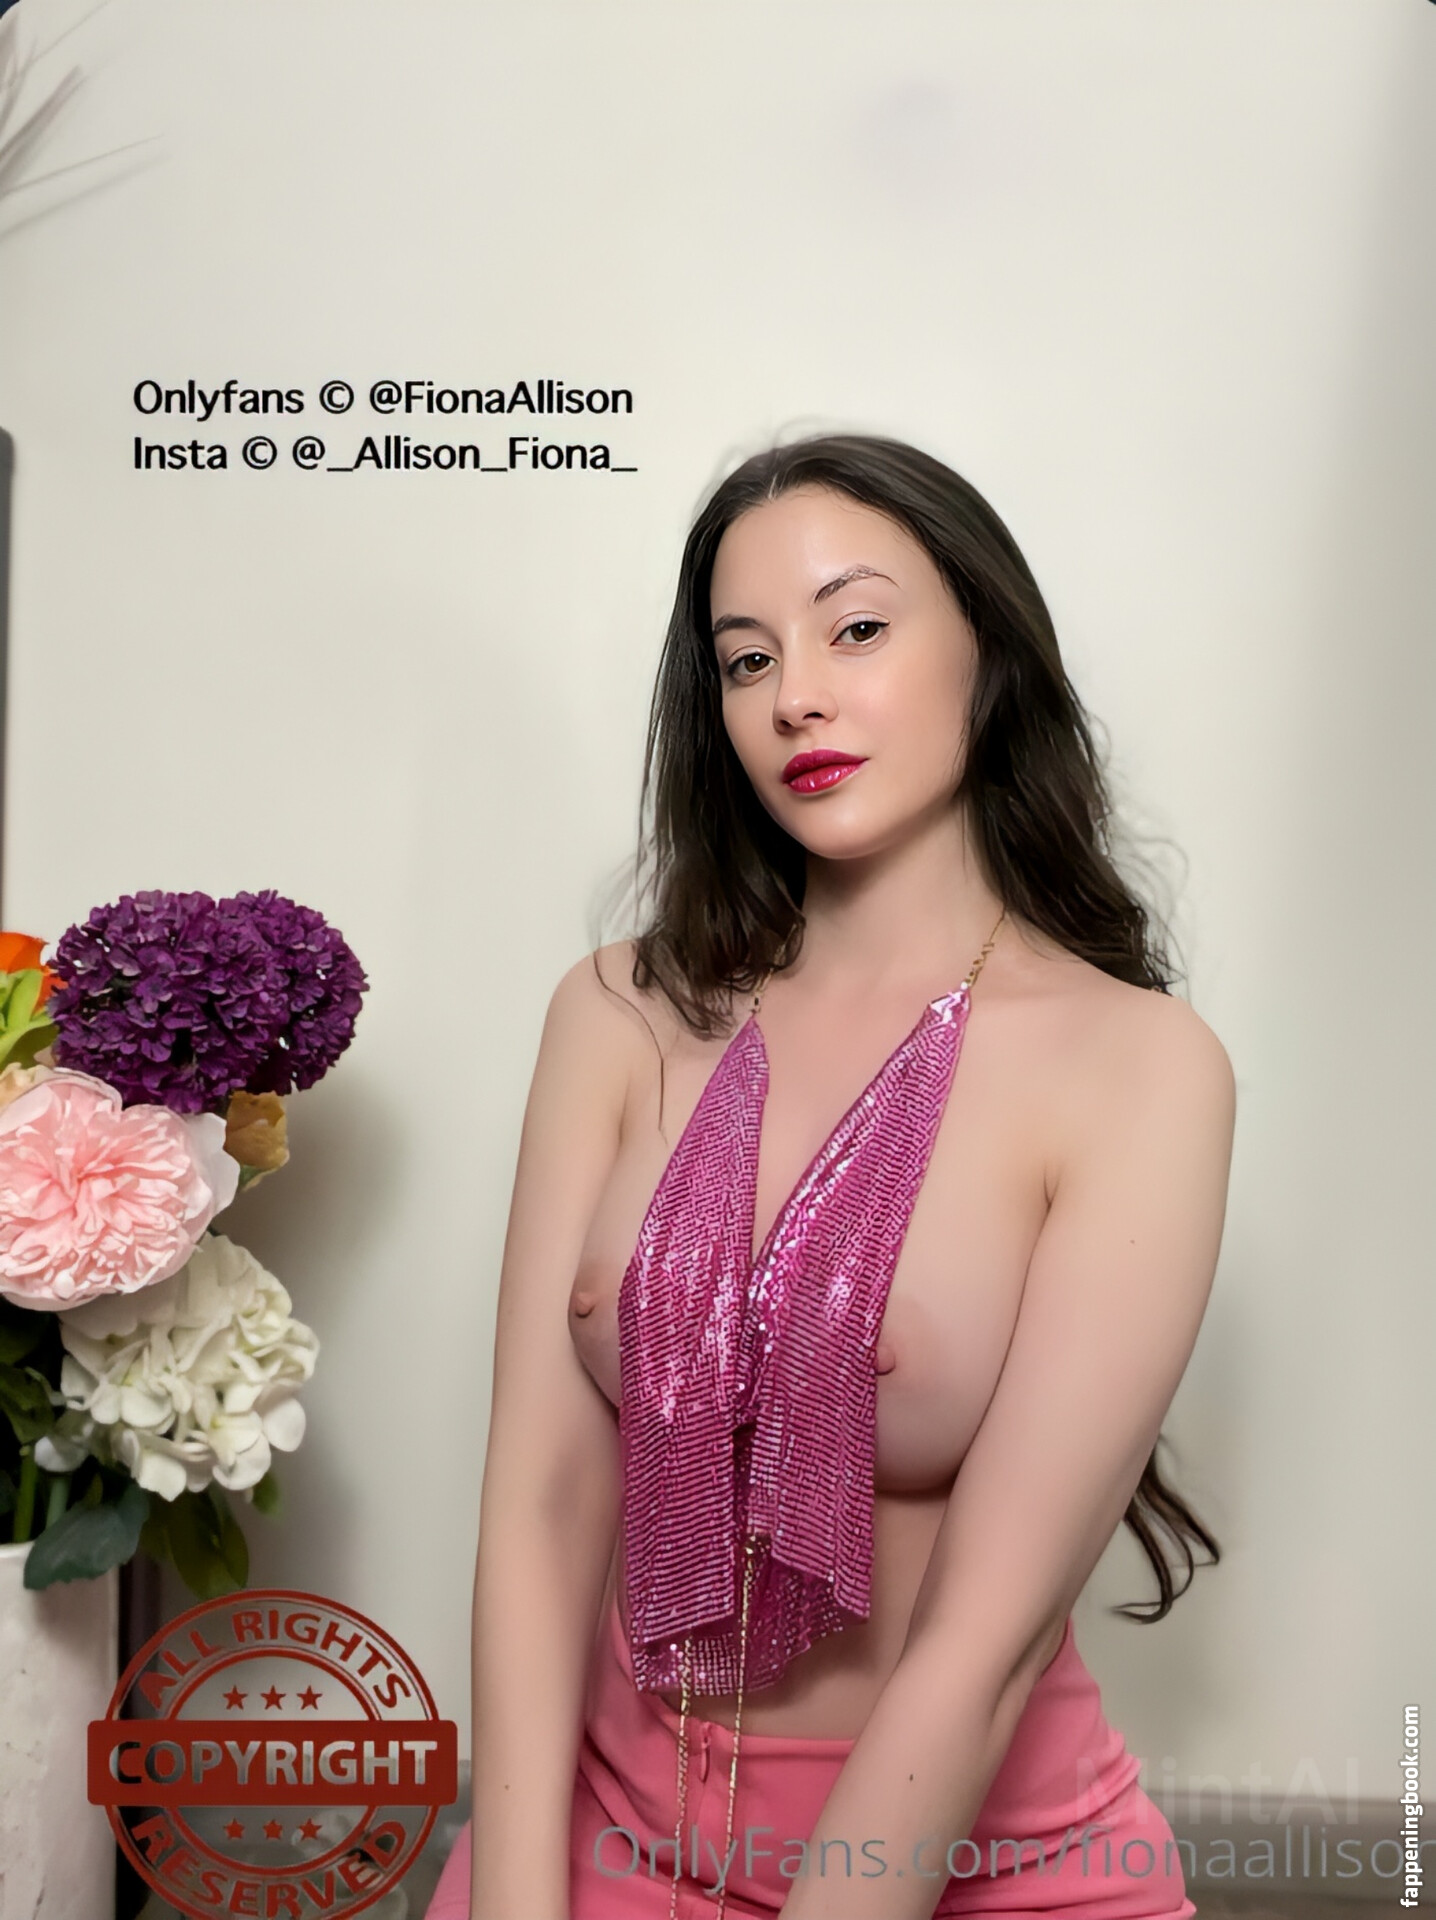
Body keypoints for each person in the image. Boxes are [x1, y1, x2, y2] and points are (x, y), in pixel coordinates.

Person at [426, 433, 1236, 1920]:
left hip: (984, 1870)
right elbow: (541, 1505)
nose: (794, 695)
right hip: (602, 1839)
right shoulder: (615, 1013)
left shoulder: (1139, 1068)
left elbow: (985, 1644)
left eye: (855, 628)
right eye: (747, 660)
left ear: (991, 651)